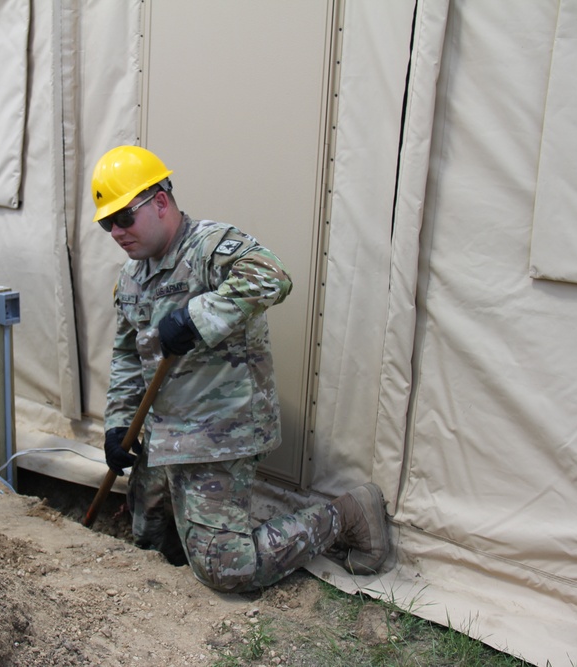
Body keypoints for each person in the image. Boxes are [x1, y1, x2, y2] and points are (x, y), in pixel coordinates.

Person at [92, 145, 390, 593]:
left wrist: (197, 317)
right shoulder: (132, 275)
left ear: (158, 201)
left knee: (225, 570)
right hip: (160, 434)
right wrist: (118, 427)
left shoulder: (209, 245)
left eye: (123, 218)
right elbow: (127, 356)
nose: (116, 231)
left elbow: (272, 276)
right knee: (148, 541)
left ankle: (346, 514)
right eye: (105, 223)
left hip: (217, 432)